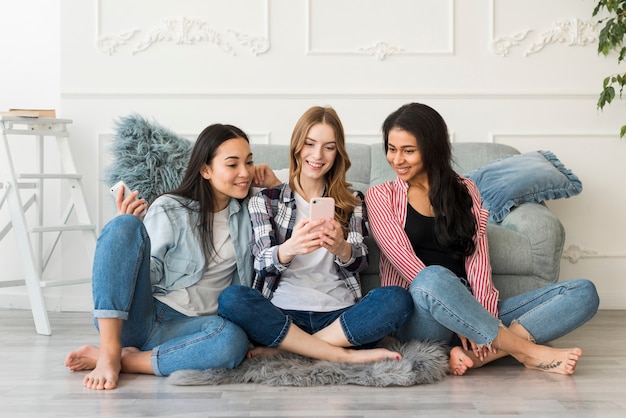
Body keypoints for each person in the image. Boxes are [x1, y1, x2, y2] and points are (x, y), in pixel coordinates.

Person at [365, 102, 599, 376]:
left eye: (408, 151)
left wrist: (479, 315)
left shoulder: (464, 189)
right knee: (431, 277)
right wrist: (465, 322)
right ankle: (528, 351)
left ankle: (478, 356)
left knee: (583, 292)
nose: (397, 159)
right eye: (391, 149)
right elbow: (407, 265)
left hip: (473, 308)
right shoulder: (381, 196)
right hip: (422, 318)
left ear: (431, 149)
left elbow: (477, 258)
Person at [64, 123, 279, 390]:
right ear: (205, 169)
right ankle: (109, 353)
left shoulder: (253, 210)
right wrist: (132, 238)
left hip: (193, 327)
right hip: (143, 316)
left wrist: (276, 183)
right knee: (123, 225)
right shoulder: (171, 208)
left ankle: (126, 361)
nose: (244, 173)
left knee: (231, 341)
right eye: (232, 165)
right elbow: (144, 273)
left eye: (249, 162)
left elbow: (300, 200)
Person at [218, 106, 413, 363]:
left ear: (337, 153)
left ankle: (294, 350)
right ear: (297, 146)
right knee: (232, 299)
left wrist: (342, 248)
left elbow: (360, 261)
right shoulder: (265, 200)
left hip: (338, 316)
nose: (317, 155)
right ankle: (343, 355)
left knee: (398, 298)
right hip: (283, 315)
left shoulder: (351, 202)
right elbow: (260, 264)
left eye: (329, 147)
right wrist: (290, 248)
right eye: (310, 143)